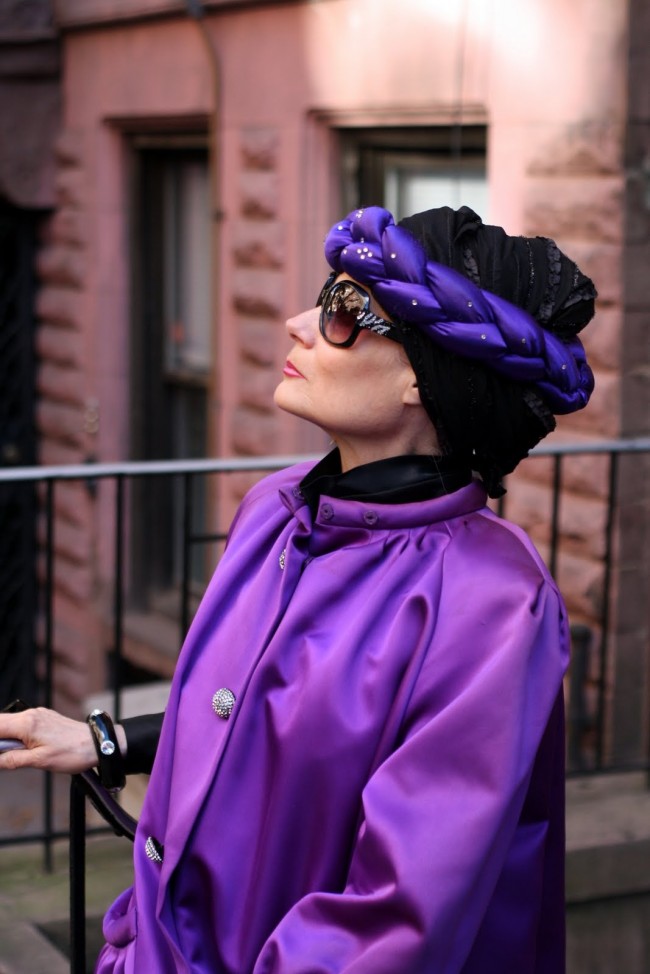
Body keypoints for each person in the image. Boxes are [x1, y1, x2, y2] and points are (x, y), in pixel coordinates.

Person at [0, 204, 597, 973]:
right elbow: (263, 715)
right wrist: (108, 742)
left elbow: (395, 924)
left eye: (345, 312)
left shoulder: (492, 603)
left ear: (427, 376)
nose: (296, 323)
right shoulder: (274, 511)